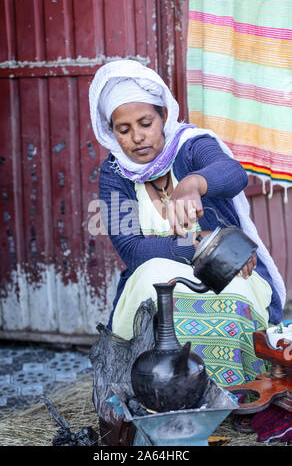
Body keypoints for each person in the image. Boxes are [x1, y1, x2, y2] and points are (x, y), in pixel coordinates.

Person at [89, 60, 286, 389]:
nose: (137, 137)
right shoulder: (113, 175)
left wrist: (193, 183)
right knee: (152, 279)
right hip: (159, 274)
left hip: (228, 268)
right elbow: (133, 249)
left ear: (164, 116)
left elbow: (233, 173)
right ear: (111, 132)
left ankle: (233, 390)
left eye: (146, 123)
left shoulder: (191, 146)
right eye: (123, 130)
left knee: (232, 292)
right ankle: (160, 393)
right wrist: (197, 246)